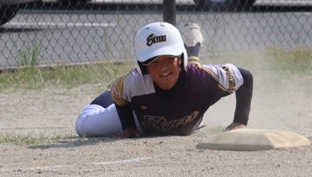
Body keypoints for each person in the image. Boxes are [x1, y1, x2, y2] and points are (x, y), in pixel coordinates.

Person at [74, 21, 253, 139]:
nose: (163, 67)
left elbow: (245, 77)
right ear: (143, 66)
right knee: (83, 126)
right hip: (140, 119)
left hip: (189, 107)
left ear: (179, 59)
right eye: (154, 62)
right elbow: (119, 94)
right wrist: (128, 126)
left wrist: (240, 122)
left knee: (193, 76)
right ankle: (192, 54)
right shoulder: (133, 83)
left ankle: (192, 56)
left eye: (169, 58)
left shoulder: (204, 79)